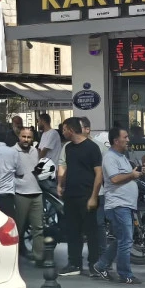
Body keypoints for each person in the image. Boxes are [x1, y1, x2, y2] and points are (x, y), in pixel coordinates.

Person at [93, 128, 142, 284]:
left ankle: (101, 265)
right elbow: (114, 179)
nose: (128, 140)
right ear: (116, 140)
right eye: (125, 137)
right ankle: (125, 274)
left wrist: (134, 174)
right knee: (125, 240)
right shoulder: (109, 157)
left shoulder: (122, 157)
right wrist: (132, 175)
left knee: (122, 239)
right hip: (118, 205)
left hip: (126, 204)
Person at [56, 117, 103, 276]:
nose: (62, 132)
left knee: (91, 232)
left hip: (87, 196)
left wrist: (94, 197)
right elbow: (67, 168)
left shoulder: (92, 147)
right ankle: (74, 264)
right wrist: (60, 184)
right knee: (72, 231)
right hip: (70, 195)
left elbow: (99, 173)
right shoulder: (68, 148)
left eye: (64, 129)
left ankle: (94, 265)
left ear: (71, 129)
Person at [14, 126, 44, 262]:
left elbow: (38, 169)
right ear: (19, 137)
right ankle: (15, 258)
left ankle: (39, 257)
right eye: (24, 136)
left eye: (29, 137)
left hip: (37, 192)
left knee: (38, 228)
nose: (26, 139)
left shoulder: (35, 151)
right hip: (20, 194)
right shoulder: (12, 151)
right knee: (18, 228)